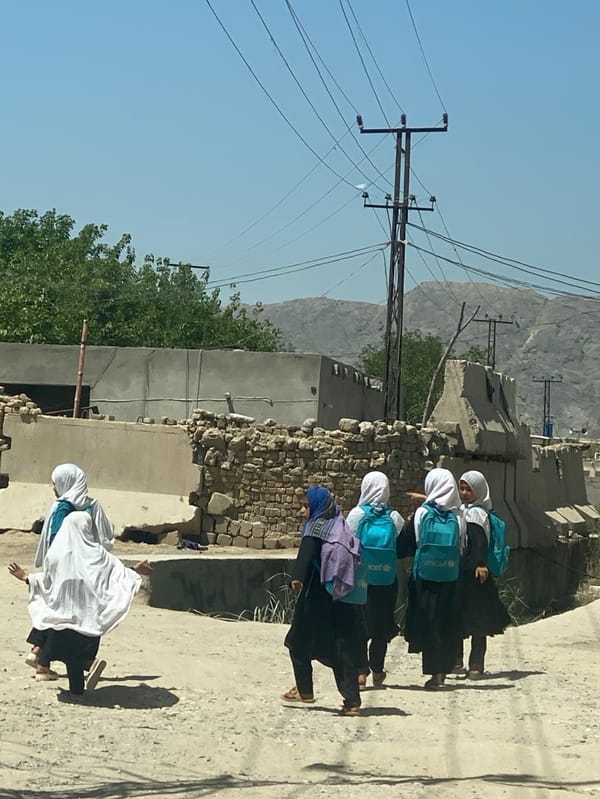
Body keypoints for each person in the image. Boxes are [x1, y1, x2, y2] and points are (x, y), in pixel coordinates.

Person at [9, 511, 151, 697]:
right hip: (86, 619)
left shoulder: (56, 555)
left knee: (61, 647)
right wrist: (133, 570)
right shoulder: (98, 554)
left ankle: (45, 660)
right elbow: (112, 574)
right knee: (77, 655)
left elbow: (47, 580)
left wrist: (27, 578)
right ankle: (83, 675)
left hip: (61, 618)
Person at [27, 463, 115, 680]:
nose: (53, 488)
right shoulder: (92, 506)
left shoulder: (62, 507)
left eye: (55, 483)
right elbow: (103, 538)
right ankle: (83, 662)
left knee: (58, 611)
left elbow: (53, 540)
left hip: (65, 570)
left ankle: (40, 656)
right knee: (82, 616)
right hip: (87, 572)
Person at [281, 486, 363, 716]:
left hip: (315, 596)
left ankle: (305, 691)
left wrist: (296, 579)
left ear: (317, 506)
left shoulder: (315, 528)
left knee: (296, 642)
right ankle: (352, 701)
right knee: (340, 648)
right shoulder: (340, 525)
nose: (301, 511)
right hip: (341, 595)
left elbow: (305, 556)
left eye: (305, 506)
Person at [397, 467, 465, 689]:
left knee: (430, 621)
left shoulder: (422, 514)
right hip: (451, 578)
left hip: (424, 579)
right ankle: (446, 667)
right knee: (447, 622)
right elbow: (462, 547)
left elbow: (406, 545)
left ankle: (435, 672)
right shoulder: (459, 516)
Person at [346, 471, 404, 688]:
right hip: (387, 579)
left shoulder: (356, 515)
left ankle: (360, 672)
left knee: (359, 624)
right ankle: (377, 670)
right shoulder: (395, 518)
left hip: (361, 579)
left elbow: (347, 545)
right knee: (381, 625)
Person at [455, 470, 511, 678]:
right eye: (462, 488)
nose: (464, 493)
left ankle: (476, 665)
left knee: (478, 618)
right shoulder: (464, 510)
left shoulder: (478, 514)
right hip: (462, 570)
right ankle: (457, 660)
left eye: (469, 489)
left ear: (479, 490)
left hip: (476, 572)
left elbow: (479, 541)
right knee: (459, 614)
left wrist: (479, 564)